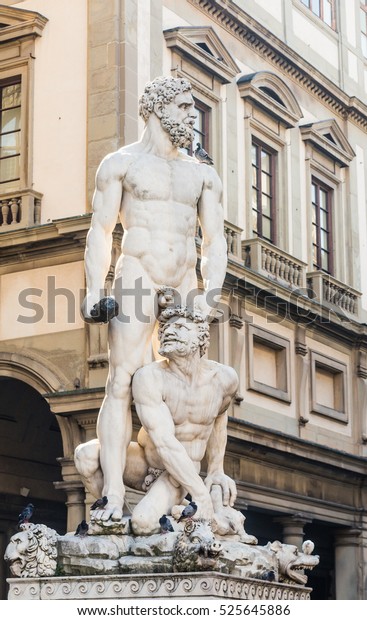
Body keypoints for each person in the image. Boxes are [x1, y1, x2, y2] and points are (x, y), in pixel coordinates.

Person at [80, 76, 228, 521]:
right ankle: (112, 493)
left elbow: (215, 240)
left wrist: (210, 292)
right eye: (184, 106)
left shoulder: (202, 173)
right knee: (121, 381)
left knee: (190, 381)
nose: (190, 115)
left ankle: (186, 485)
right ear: (158, 108)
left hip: (184, 276)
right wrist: (94, 290)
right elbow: (100, 231)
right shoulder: (120, 164)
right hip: (138, 272)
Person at [75, 307, 239, 534]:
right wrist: (201, 495)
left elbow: (219, 415)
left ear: (201, 336)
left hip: (180, 472)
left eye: (180, 327)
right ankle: (118, 522)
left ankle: (165, 519)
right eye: (166, 327)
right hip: (144, 461)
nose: (169, 331)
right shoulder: (150, 377)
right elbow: (163, 442)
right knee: (85, 455)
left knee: (144, 523)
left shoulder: (224, 379)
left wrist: (215, 469)